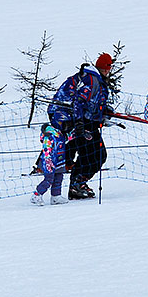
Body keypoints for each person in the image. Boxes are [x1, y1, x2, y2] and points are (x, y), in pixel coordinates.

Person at [48, 53, 112, 199]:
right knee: (94, 155)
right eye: (107, 67)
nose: (108, 70)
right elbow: (79, 101)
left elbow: (92, 102)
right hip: (80, 122)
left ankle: (78, 183)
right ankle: (77, 185)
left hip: (85, 121)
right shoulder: (91, 80)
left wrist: (103, 111)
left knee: (92, 155)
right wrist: (79, 124)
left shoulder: (93, 79)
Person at [32, 124, 69, 205]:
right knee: (49, 179)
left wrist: (80, 132)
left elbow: (67, 137)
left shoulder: (60, 133)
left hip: (59, 159)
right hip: (50, 160)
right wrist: (48, 159)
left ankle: (56, 196)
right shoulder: (49, 135)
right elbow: (46, 148)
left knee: (58, 177)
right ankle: (37, 194)